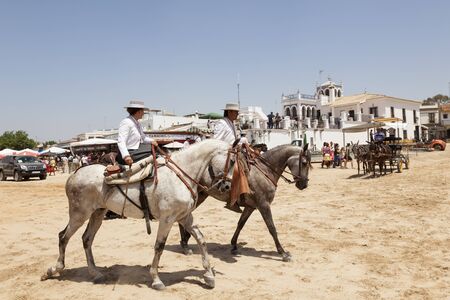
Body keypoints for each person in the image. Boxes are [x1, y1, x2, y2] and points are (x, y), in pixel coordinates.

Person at [214, 103, 247, 212]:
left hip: (233, 152)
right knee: (237, 171)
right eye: (236, 112)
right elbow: (216, 140)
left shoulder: (232, 123)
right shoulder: (222, 123)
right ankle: (231, 200)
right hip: (225, 154)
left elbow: (233, 139)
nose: (237, 114)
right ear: (229, 112)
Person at [117, 100, 158, 166]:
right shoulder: (126, 122)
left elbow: (143, 138)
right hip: (129, 153)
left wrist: (153, 141)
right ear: (138, 112)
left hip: (136, 150)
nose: (143, 113)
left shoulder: (137, 123)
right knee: (153, 151)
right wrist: (126, 156)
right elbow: (121, 141)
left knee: (154, 147)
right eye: (143, 111)